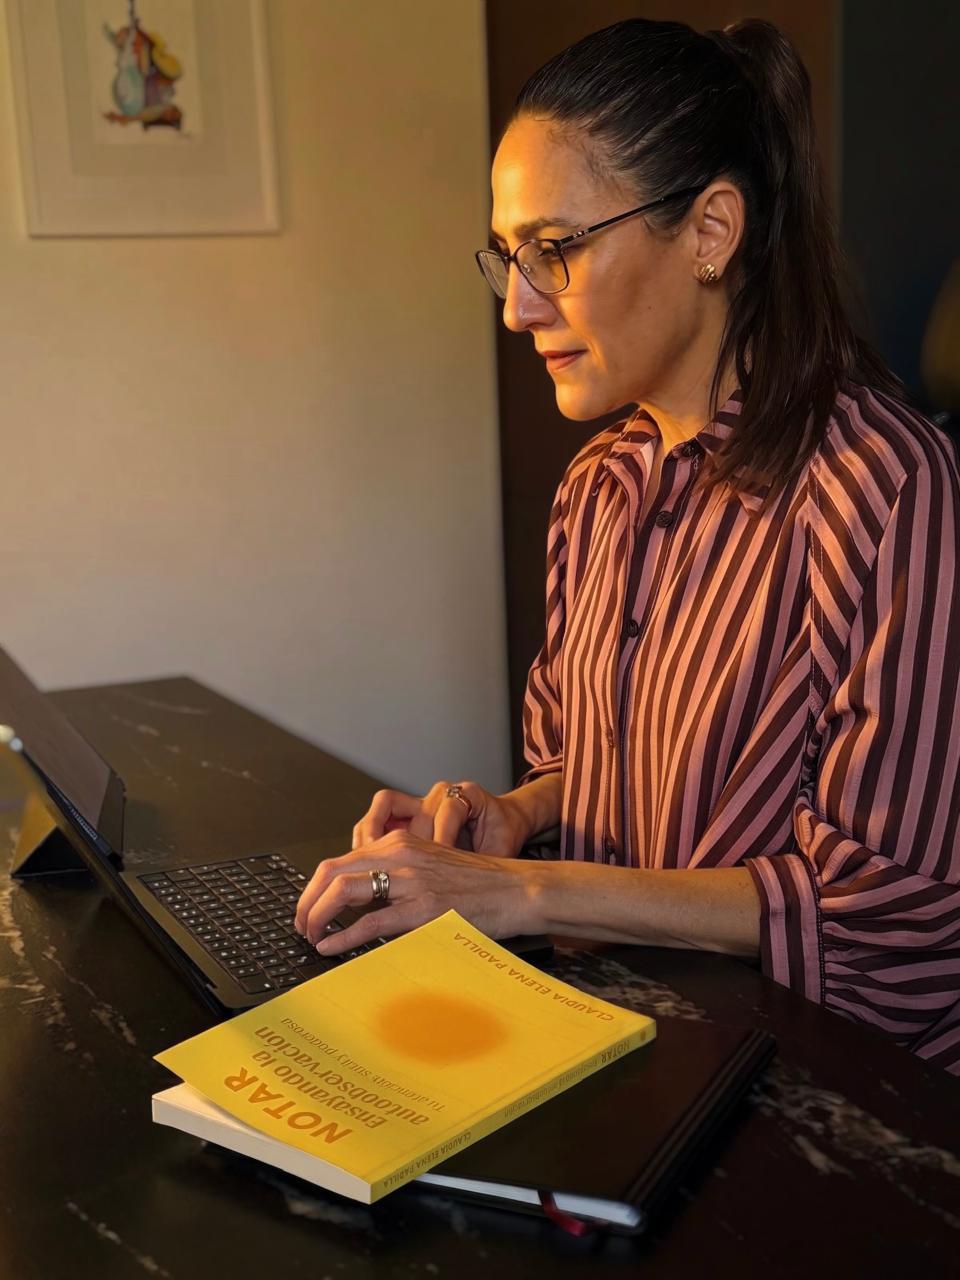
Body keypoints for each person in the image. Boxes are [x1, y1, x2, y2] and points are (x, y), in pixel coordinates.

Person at [296, 19, 960, 1074]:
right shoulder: (598, 489)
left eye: (555, 250)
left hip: (828, 1091)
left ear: (710, 232)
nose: (518, 308)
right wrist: (508, 818)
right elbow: (589, 765)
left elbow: (885, 912)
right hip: (637, 1039)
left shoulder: (889, 490)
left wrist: (517, 892)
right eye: (509, 257)